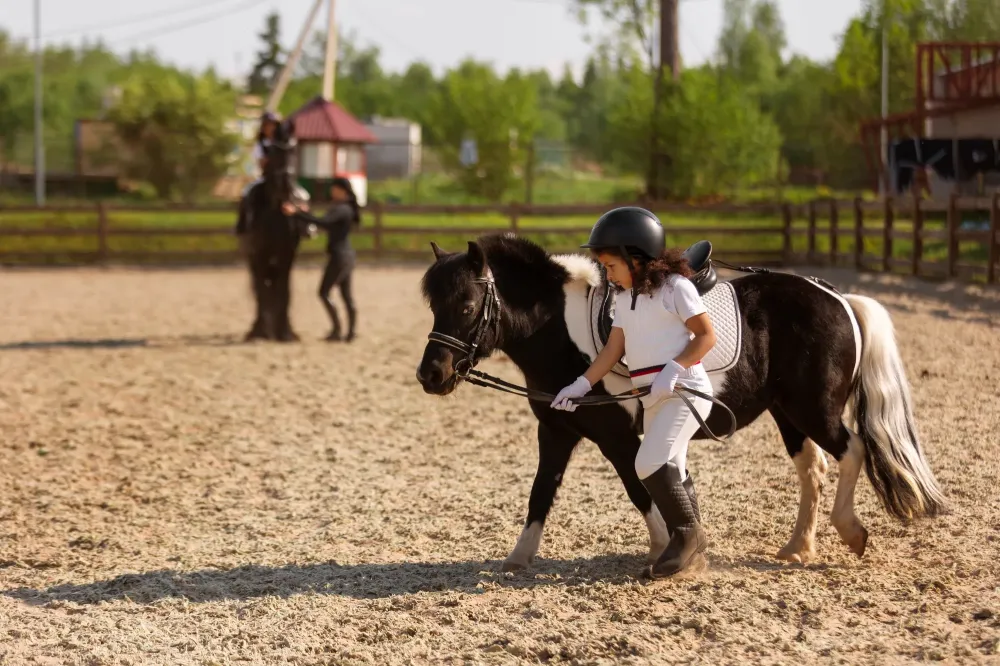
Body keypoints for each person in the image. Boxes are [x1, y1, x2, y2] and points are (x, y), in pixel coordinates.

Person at [550, 206, 717, 580]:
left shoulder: (678, 288)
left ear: (635, 258)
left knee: (647, 462)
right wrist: (580, 385)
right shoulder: (624, 299)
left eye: (611, 266)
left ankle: (688, 537)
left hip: (686, 392)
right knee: (671, 466)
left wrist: (674, 369)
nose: (606, 274)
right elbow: (613, 350)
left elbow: (706, 336)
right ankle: (689, 544)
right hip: (653, 396)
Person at [282, 176, 361, 341]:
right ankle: (350, 332)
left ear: (341, 190)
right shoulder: (344, 208)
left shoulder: (342, 209)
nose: (331, 191)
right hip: (346, 256)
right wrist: (305, 212)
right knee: (346, 295)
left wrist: (297, 213)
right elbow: (324, 221)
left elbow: (323, 222)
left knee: (324, 292)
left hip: (339, 256)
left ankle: (337, 330)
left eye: (333, 188)